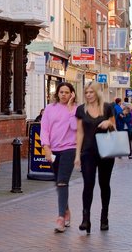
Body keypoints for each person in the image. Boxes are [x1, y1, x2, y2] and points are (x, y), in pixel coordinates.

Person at [74, 83, 116, 233]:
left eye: (91, 92)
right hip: (88, 152)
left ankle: (104, 217)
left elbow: (115, 128)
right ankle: (86, 219)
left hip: (106, 152)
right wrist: (77, 155)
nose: (88, 94)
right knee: (88, 184)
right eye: (86, 92)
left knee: (104, 185)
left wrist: (109, 123)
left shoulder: (107, 107)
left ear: (98, 93)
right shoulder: (81, 110)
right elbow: (79, 133)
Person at [42, 83, 78, 232]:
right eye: (61, 92)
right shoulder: (50, 109)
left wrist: (70, 109)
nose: (64, 95)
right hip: (53, 150)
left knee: (62, 182)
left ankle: (61, 218)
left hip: (69, 149)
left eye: (67, 92)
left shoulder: (76, 109)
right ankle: (66, 211)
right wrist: (46, 148)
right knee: (59, 182)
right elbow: (44, 129)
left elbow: (75, 127)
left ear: (72, 94)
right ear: (57, 93)